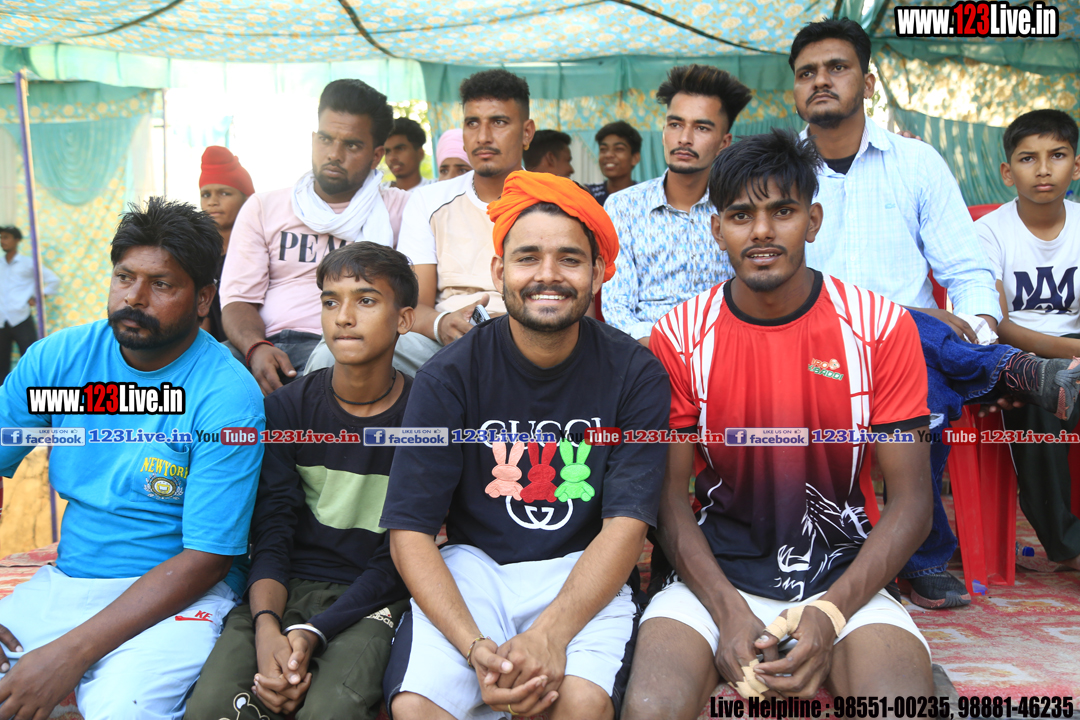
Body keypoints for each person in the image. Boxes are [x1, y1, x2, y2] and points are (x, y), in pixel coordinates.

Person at [623, 130, 935, 713]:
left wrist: (831, 612)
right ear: (716, 229)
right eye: (741, 215)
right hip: (713, 577)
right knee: (648, 709)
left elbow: (914, 502)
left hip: (844, 578)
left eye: (783, 211)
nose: (762, 231)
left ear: (813, 222)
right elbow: (665, 500)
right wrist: (727, 611)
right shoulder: (680, 336)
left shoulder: (880, 327)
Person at [788, 18, 1080, 609]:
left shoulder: (917, 163)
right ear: (794, 88)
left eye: (837, 67)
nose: (821, 80)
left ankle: (917, 556)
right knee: (907, 325)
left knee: (923, 384)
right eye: (806, 72)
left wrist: (973, 333)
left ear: (868, 82)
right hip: (812, 347)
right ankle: (1010, 371)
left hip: (910, 357)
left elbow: (968, 275)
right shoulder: (778, 168)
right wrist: (910, 321)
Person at [380, 171, 670, 720]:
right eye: (528, 257)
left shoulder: (637, 375)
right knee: (417, 708)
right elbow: (410, 534)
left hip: (585, 571)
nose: (548, 275)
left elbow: (627, 528)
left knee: (580, 706)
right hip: (476, 571)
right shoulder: (448, 376)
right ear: (499, 272)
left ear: (598, 273)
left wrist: (550, 636)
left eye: (569, 259)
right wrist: (475, 648)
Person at [0, 197, 265, 720]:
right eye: (124, 277)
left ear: (204, 298)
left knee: (125, 708)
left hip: (182, 598)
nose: (134, 298)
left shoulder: (227, 396)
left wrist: (70, 654)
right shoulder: (58, 360)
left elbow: (208, 558)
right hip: (68, 582)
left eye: (161, 284)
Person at [185, 242, 415, 720]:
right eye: (331, 301)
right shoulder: (286, 410)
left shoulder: (423, 419)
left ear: (404, 319)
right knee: (212, 707)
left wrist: (313, 633)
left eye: (366, 300)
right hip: (282, 587)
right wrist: (268, 625)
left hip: (372, 596)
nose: (343, 317)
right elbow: (272, 531)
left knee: (331, 709)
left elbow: (400, 556)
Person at [220, 79, 409, 396]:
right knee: (203, 372)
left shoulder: (401, 210)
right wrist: (256, 348)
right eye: (325, 139)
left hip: (346, 348)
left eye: (352, 145)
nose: (334, 154)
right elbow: (237, 300)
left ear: (376, 156)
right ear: (313, 139)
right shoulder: (264, 207)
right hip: (264, 344)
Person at [978, 109, 1080, 571]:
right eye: (1027, 158)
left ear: (1075, 166)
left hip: (1072, 348)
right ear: (1007, 172)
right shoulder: (990, 232)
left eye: (1057, 155)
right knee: (1044, 393)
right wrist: (1071, 355)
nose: (1043, 169)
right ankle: (1069, 546)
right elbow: (997, 322)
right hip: (1018, 357)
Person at [389, 69, 536, 375]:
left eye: (499, 122)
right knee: (356, 349)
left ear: (526, 133)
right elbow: (414, 306)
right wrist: (442, 324)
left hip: (534, 340)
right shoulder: (429, 201)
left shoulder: (555, 201)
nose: (483, 137)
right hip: (444, 343)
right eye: (472, 123)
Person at [603, 64, 752, 346]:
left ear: (724, 143)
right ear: (663, 132)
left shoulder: (740, 208)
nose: (684, 138)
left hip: (725, 351)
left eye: (701, 127)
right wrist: (662, 353)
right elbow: (617, 307)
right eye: (675, 124)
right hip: (645, 356)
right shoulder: (623, 206)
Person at [198, 146, 254, 342]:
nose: (213, 202)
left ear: (247, 199)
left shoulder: (261, 253)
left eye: (224, 193)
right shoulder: (198, 256)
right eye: (206, 195)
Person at [0, 225, 58, 384]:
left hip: (21, 318)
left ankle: (33, 392)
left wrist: (39, 297)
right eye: (1, 238)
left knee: (30, 359)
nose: (2, 241)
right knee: (1, 363)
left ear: (17, 240)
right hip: (1, 320)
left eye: (6, 237)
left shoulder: (28, 263)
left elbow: (53, 280)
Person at [586, 121, 642, 206]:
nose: (608, 155)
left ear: (635, 158)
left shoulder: (646, 194)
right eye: (603, 149)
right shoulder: (588, 194)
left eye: (618, 149)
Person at [382, 117, 435, 191]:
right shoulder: (378, 193)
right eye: (387, 152)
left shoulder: (436, 190)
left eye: (400, 149)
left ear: (420, 154)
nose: (392, 158)